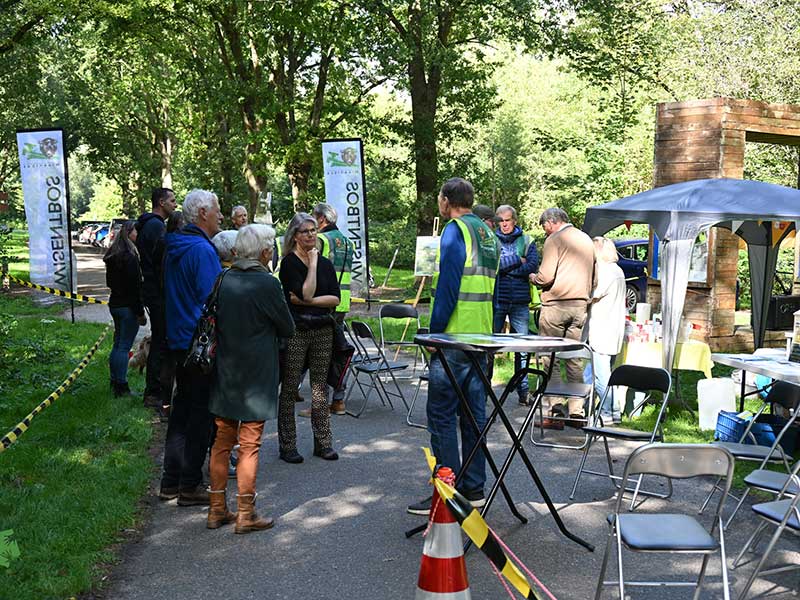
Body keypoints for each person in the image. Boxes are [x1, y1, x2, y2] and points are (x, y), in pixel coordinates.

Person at [408, 178, 498, 515]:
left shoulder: (455, 230)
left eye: (439, 200)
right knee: (473, 416)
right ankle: (474, 488)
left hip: (455, 339)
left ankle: (448, 491)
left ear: (446, 200)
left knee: (442, 415)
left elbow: (448, 286)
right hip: (481, 338)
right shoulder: (487, 233)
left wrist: (435, 332)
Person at [207, 224, 295, 533]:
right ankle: (246, 513)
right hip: (256, 373)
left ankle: (216, 509)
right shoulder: (267, 284)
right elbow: (288, 328)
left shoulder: (224, 279)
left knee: (221, 441)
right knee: (250, 444)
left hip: (226, 370)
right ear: (264, 252)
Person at [159, 189, 223, 506]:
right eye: (217, 211)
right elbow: (215, 300)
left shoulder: (176, 246)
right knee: (200, 416)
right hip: (199, 346)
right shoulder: (201, 250)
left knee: (181, 412)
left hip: (179, 341)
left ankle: (171, 481)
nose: (221, 216)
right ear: (202, 213)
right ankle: (190, 484)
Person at [277, 213, 340, 463]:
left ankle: (323, 443)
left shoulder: (325, 263)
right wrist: (311, 265)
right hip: (297, 330)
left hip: (323, 329)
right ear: (294, 235)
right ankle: (287, 445)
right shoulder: (289, 263)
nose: (312, 235)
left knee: (320, 388)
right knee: (290, 387)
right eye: (306, 231)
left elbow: (334, 299)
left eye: (314, 230)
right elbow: (305, 290)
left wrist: (308, 300)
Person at [529, 207, 595, 426]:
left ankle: (554, 411)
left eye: (544, 227)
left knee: (550, 359)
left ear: (551, 222)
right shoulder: (586, 239)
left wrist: (533, 278)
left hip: (556, 305)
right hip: (580, 306)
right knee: (574, 359)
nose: (545, 232)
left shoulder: (555, 239)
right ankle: (577, 412)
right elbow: (595, 277)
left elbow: (546, 276)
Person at [493, 204, 539, 405]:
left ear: (515, 220)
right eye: (501, 221)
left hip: (520, 301)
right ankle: (485, 391)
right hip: (498, 300)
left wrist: (507, 268)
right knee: (490, 346)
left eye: (507, 220)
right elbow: (493, 267)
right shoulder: (490, 240)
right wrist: (516, 261)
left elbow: (532, 266)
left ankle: (523, 391)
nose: (504, 224)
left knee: (522, 347)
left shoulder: (527, 240)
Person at [310, 202, 353, 415]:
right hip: (342, 301)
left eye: (313, 218)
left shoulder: (321, 239)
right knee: (337, 350)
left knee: (321, 353)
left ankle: (321, 404)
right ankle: (338, 400)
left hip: (324, 301)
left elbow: (313, 269)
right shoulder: (347, 241)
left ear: (321, 220)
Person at [135, 187, 177, 408]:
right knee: (161, 341)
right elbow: (159, 261)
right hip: (157, 292)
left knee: (161, 339)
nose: (175, 205)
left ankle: (156, 389)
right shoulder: (155, 226)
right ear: (161, 202)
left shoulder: (150, 225)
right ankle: (154, 392)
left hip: (154, 291)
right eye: (172, 200)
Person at [583, 237, 626, 423]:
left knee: (601, 377)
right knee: (592, 372)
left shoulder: (607, 271)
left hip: (602, 329)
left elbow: (592, 294)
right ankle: (611, 410)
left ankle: (606, 413)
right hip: (611, 328)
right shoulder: (617, 270)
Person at [104, 220, 147, 398]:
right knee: (124, 346)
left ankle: (115, 380)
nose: (138, 235)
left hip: (115, 303)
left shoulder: (114, 255)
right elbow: (135, 288)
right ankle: (122, 386)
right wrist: (140, 312)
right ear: (129, 233)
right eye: (136, 232)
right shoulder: (130, 257)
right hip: (128, 307)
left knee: (117, 345)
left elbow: (109, 283)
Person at [152, 210, 186, 421]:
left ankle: (168, 403)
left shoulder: (165, 243)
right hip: (171, 306)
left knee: (170, 358)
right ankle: (167, 403)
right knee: (171, 358)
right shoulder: (173, 246)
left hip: (167, 304)